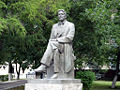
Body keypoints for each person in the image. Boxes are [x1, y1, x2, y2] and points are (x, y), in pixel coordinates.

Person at [35, 9, 76, 79]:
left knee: (52, 43)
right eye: (59, 14)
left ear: (65, 16)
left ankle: (44, 65)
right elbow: (51, 38)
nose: (60, 16)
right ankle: (56, 73)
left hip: (65, 46)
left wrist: (57, 40)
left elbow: (70, 38)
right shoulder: (54, 26)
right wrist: (54, 41)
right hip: (55, 46)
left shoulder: (70, 25)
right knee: (55, 49)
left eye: (62, 14)